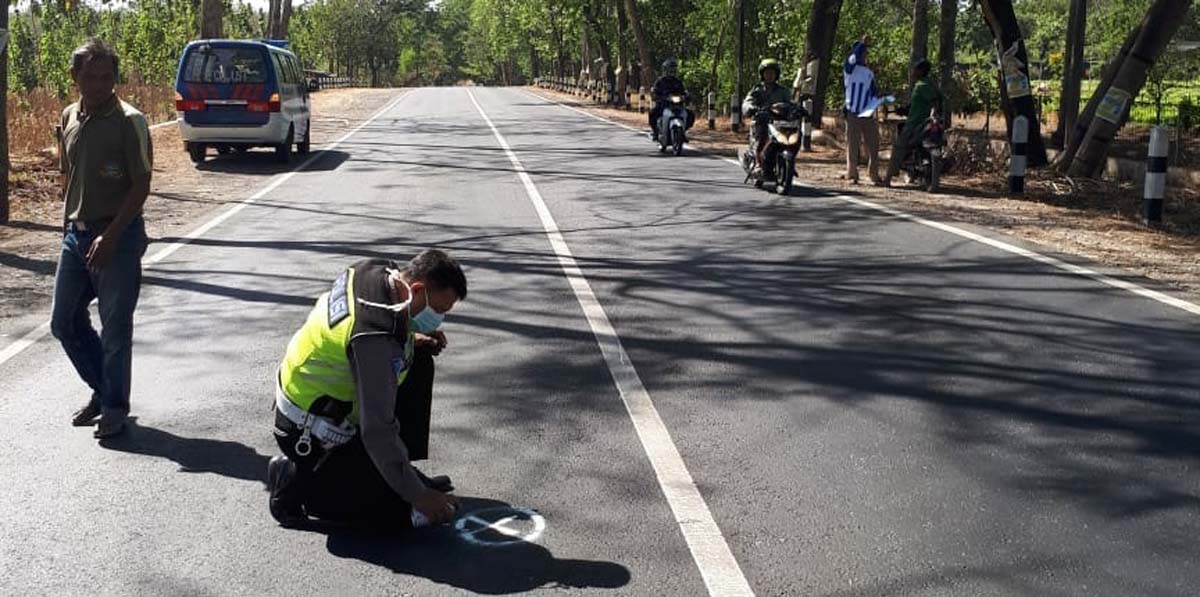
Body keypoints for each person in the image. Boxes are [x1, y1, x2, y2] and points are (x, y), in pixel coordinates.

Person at [267, 250, 467, 531]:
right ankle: (296, 483)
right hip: (311, 432)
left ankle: (394, 470)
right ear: (417, 289)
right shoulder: (375, 338)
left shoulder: (376, 271)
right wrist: (418, 496)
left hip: (322, 402)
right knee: (402, 514)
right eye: (438, 311)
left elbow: (376, 333)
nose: (438, 320)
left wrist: (412, 334)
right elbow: (377, 429)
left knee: (418, 362)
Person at [53, 38, 153, 439]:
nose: (99, 85)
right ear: (75, 77)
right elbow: (68, 175)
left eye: (107, 77)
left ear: (115, 78)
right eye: (90, 77)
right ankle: (102, 388)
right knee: (64, 322)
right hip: (75, 237)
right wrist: (68, 224)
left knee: (115, 328)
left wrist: (111, 236)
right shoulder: (69, 116)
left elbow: (142, 184)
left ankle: (115, 406)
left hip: (119, 235)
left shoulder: (130, 121)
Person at [884, 59, 943, 187]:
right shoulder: (931, 84)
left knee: (898, 147)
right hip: (927, 121)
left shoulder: (921, 85)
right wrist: (903, 109)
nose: (913, 71)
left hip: (916, 123)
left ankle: (888, 178)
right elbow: (919, 104)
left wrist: (933, 113)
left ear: (921, 71)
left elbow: (933, 102)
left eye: (915, 69)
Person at [842, 37, 884, 185]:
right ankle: (852, 174)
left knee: (873, 144)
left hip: (867, 113)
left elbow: (873, 90)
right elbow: (854, 56)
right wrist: (862, 43)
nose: (863, 54)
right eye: (862, 51)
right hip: (853, 111)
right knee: (853, 144)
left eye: (865, 52)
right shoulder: (849, 68)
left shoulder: (868, 72)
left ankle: (873, 174)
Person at [741, 58, 793, 178]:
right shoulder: (757, 90)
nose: (770, 75)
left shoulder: (783, 91)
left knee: (792, 135)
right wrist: (751, 108)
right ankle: (759, 164)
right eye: (767, 73)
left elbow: (790, 103)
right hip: (762, 121)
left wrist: (798, 109)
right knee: (762, 137)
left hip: (780, 121)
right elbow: (747, 102)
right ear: (762, 74)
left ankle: (787, 160)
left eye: (772, 73)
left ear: (777, 75)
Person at [648, 58, 695, 142]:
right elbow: (654, 91)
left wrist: (687, 96)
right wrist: (656, 96)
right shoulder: (660, 81)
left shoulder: (678, 82)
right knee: (652, 113)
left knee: (691, 115)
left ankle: (683, 132)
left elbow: (684, 91)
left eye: (673, 68)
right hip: (663, 105)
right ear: (665, 69)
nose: (672, 71)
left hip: (678, 106)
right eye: (670, 68)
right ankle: (655, 132)